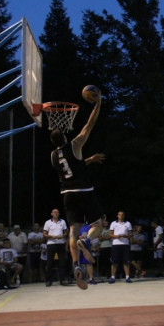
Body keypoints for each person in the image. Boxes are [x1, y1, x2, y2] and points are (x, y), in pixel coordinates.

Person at [50, 86, 106, 290]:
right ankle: (88, 242)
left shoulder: (53, 155)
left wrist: (88, 160)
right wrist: (98, 103)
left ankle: (76, 265)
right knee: (98, 224)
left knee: (73, 229)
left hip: (66, 194)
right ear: (64, 138)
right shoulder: (74, 144)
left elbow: (71, 168)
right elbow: (89, 125)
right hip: (84, 191)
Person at [43, 209, 69, 287]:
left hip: (61, 244)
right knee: (50, 263)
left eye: (57, 212)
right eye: (54, 212)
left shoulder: (62, 222)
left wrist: (63, 236)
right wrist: (51, 236)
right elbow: (44, 234)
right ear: (51, 213)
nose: (56, 213)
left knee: (62, 263)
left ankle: (62, 279)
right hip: (51, 244)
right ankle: (48, 280)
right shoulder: (48, 222)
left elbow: (66, 232)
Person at [108, 211, 133, 284]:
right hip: (116, 244)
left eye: (122, 215)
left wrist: (126, 236)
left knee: (126, 261)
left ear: (124, 216)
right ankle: (112, 277)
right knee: (114, 261)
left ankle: (127, 277)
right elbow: (110, 234)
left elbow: (131, 234)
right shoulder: (113, 223)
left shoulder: (128, 223)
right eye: (119, 215)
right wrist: (117, 236)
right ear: (117, 216)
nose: (121, 216)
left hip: (125, 244)